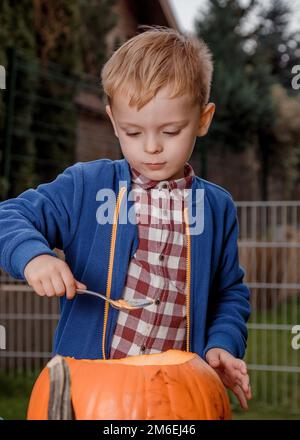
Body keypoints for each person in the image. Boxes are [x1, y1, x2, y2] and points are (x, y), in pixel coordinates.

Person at [0, 25, 251, 410]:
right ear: (114, 122)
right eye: (133, 132)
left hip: (180, 395)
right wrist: (33, 255)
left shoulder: (216, 208)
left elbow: (229, 293)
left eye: (171, 130)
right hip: (90, 394)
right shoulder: (86, 185)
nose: (151, 147)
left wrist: (221, 344)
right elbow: (9, 215)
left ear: (203, 119)